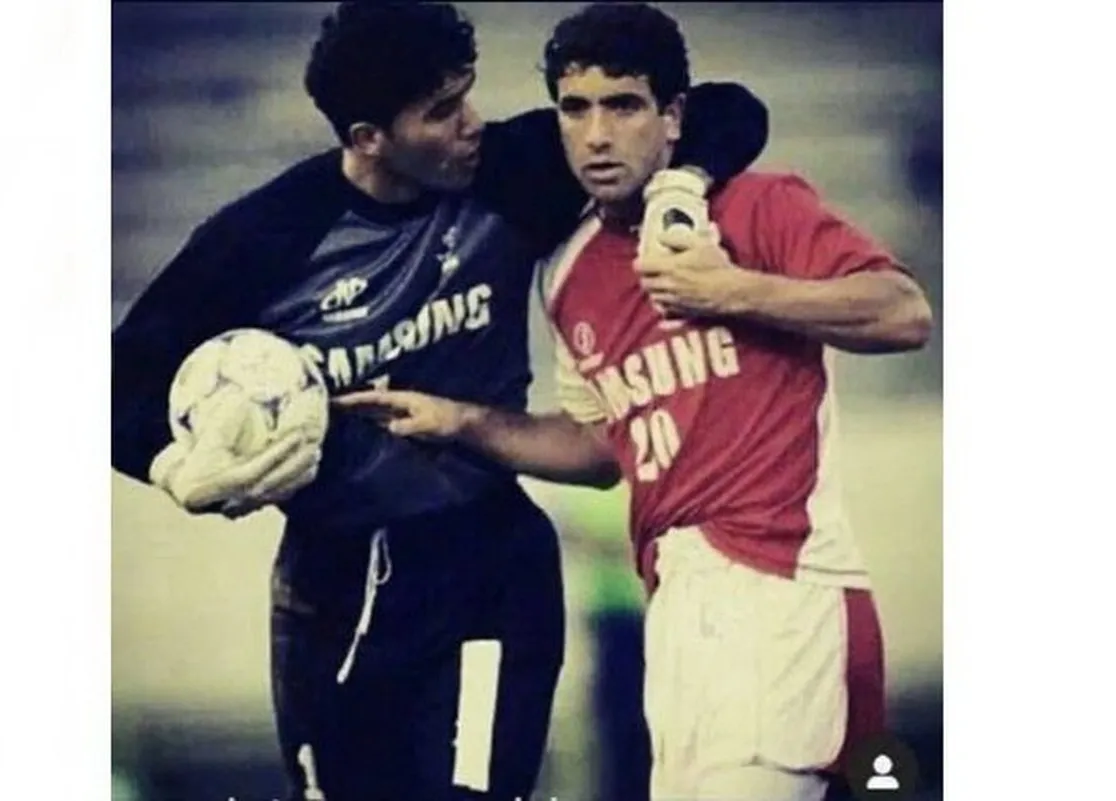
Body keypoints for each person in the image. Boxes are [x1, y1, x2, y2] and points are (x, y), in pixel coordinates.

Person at [110, 3, 768, 800]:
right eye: (441, 110)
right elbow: (117, 388)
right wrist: (175, 467)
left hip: (491, 566)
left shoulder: (511, 171)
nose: (471, 122)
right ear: (368, 138)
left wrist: (682, 185)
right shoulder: (264, 239)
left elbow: (729, 110)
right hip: (339, 585)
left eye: (467, 93)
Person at [335, 3, 934, 801]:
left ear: (673, 116)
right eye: (575, 108)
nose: (597, 135)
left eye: (623, 106)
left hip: (782, 584)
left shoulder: (756, 205)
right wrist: (462, 422)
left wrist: (729, 289)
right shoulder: (567, 273)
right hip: (674, 604)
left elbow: (903, 312)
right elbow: (600, 448)